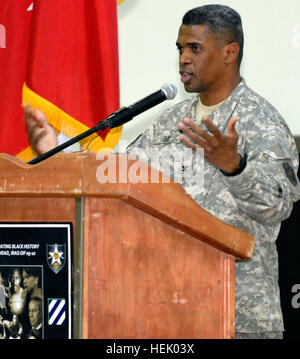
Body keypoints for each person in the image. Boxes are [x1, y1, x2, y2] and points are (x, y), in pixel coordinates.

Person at [24, 5, 300, 339]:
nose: (183, 58)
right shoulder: (172, 121)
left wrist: (235, 166)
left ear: (230, 53)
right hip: (169, 310)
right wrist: (58, 149)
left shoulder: (261, 123)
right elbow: (119, 176)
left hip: (239, 316)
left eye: (194, 48)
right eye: (180, 49)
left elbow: (278, 207)